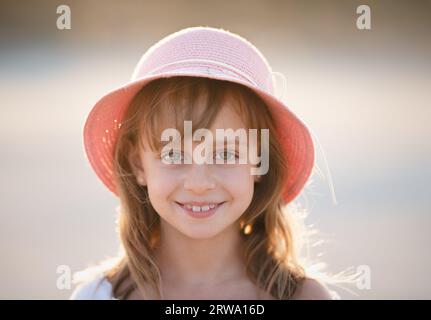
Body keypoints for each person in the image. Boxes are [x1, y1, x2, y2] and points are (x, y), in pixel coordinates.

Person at [71, 26, 338, 300]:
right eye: (173, 155)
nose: (199, 184)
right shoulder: (99, 296)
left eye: (225, 155)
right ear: (138, 164)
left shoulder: (304, 296)